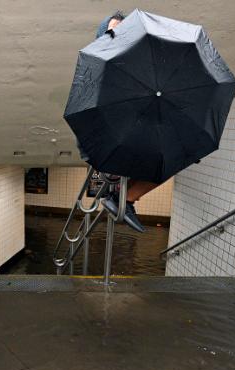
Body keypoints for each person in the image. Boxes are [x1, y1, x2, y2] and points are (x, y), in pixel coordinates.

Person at [95, 11, 160, 233]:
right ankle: (125, 199)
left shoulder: (136, 65)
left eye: (124, 31)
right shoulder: (101, 67)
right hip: (108, 140)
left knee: (175, 153)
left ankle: (122, 199)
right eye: (112, 32)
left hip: (131, 132)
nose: (119, 35)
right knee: (164, 157)